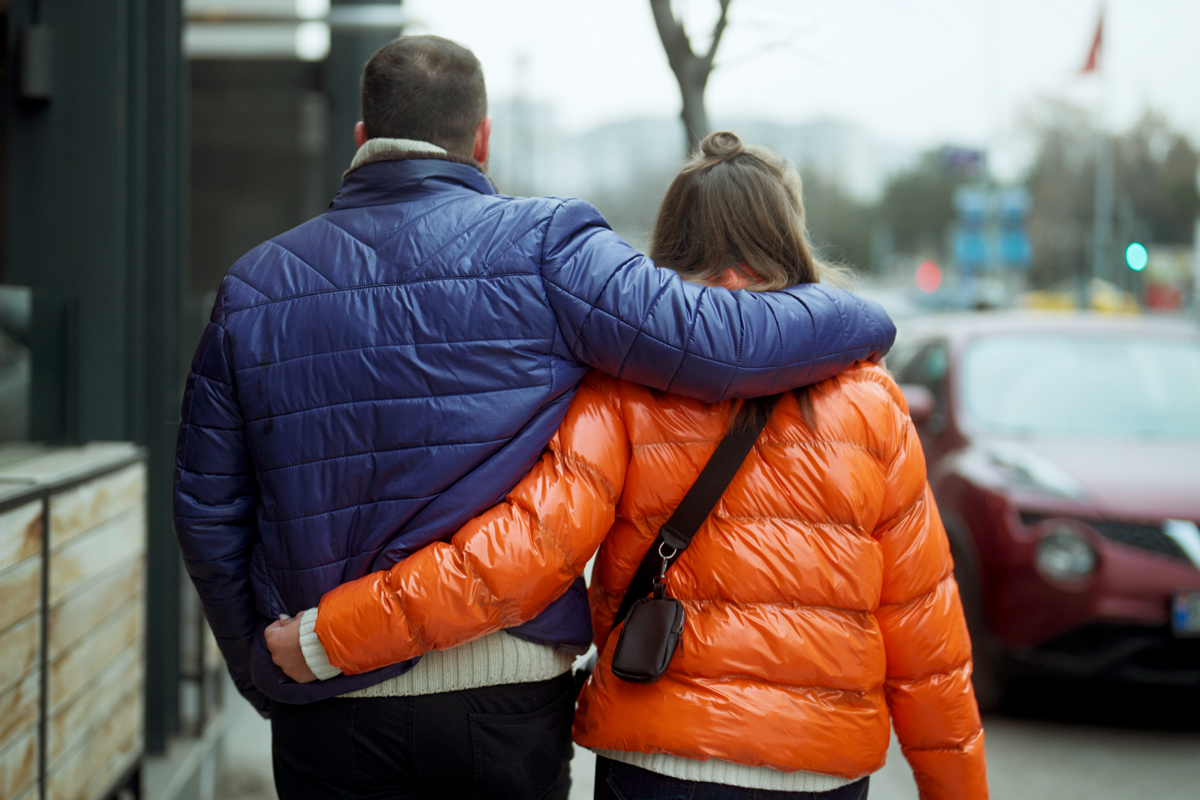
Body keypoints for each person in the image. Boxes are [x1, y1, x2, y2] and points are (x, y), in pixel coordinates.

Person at [173, 35, 895, 800]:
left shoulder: (253, 288)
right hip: (505, 697)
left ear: (362, 140)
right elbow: (722, 342)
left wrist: (267, 671)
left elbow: (208, 515)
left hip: (326, 693)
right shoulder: (548, 246)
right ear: (480, 139)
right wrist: (866, 318)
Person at [272, 132, 987, 800]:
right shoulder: (872, 401)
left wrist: (330, 636)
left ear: (669, 242)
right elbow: (928, 634)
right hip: (821, 769)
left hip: (659, 761)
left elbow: (520, 555)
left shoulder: (624, 391)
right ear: (789, 239)